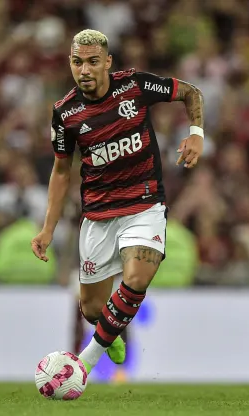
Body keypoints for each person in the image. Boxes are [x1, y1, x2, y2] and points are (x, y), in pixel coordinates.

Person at [31, 29, 205, 374]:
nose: (85, 70)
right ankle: (111, 330)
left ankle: (83, 364)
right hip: (98, 216)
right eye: (78, 62)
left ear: (107, 62)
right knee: (92, 310)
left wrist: (196, 135)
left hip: (144, 204)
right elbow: (62, 171)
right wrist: (47, 228)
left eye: (93, 62)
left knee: (137, 277)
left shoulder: (134, 86)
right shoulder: (66, 113)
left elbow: (190, 92)